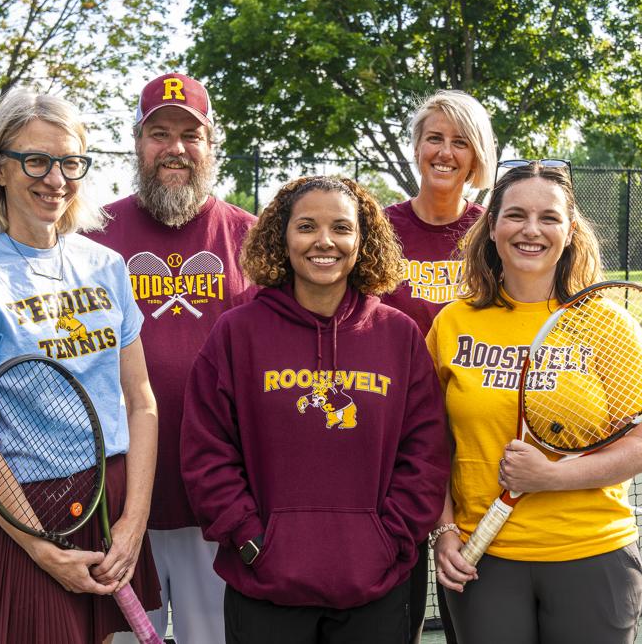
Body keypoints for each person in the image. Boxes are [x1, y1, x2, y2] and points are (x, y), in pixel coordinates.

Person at [0, 88, 160, 643]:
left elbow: (141, 399)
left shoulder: (106, 265)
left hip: (110, 497)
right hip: (21, 513)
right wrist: (40, 548)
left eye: (70, 162)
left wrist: (133, 520)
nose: (55, 178)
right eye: (36, 160)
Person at [180, 176, 450, 644]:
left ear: (362, 240)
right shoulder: (236, 333)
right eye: (306, 226)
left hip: (377, 585)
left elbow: (425, 454)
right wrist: (249, 541)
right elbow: (207, 451)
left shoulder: (399, 335)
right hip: (265, 584)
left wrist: (391, 541)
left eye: (341, 228)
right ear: (282, 237)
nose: (324, 242)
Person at [427, 161, 642, 643]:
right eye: (516, 215)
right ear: (493, 226)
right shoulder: (453, 323)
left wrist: (551, 476)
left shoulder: (608, 323)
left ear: (569, 232)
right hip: (484, 561)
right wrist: (444, 532)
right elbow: (429, 443)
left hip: (591, 552)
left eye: (549, 218)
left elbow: (641, 449)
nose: (531, 230)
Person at [86, 72, 256, 643]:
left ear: (212, 144)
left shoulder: (252, 239)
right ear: (137, 142)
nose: (175, 148)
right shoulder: (91, 236)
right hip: (116, 501)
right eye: (159, 133)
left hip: (223, 500)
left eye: (191, 134)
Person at [381, 89, 495, 643]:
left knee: (470, 607)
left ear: (477, 156)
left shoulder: (495, 234)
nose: (445, 152)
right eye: (434, 138)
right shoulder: (378, 230)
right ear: (417, 147)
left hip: (473, 439)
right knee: (392, 609)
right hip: (391, 443)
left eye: (460, 141)